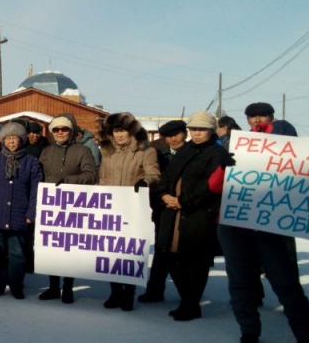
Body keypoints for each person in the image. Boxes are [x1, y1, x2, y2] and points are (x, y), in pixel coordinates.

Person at [214, 102, 309, 343]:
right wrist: (224, 166)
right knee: (240, 281)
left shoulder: (289, 146)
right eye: (252, 116)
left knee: (285, 282)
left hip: (269, 226)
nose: (257, 120)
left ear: (271, 117)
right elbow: (214, 187)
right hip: (235, 223)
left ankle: (306, 334)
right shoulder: (236, 145)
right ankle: (249, 329)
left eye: (262, 115)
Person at [151, 111, 229, 321]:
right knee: (170, 256)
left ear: (211, 131)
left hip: (198, 216)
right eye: (194, 129)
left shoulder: (217, 154)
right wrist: (164, 194)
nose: (196, 133)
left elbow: (211, 187)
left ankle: (190, 304)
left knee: (195, 263)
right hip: (173, 213)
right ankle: (187, 300)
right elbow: (167, 175)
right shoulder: (185, 151)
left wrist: (183, 201)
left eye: (202, 129)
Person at [97, 112, 161, 311]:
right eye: (116, 131)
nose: (119, 135)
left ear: (132, 131)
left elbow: (155, 175)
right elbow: (103, 179)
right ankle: (115, 291)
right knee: (110, 252)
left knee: (130, 252)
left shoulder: (145, 151)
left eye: (123, 130)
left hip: (133, 208)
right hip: (111, 208)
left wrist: (145, 182)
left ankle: (129, 292)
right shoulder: (107, 152)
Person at [0, 122, 43, 299]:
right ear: (3, 140)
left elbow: (37, 190)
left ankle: (16, 286)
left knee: (18, 256)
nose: (12, 142)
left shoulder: (31, 162)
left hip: (19, 217)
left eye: (15, 138)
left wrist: (31, 214)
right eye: (8, 138)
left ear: (21, 140)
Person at [36, 114, 98, 304]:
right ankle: (53, 286)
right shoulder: (46, 151)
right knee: (52, 247)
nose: (60, 133)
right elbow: (38, 173)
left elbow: (91, 175)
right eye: (56, 130)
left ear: (71, 132)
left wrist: (70, 181)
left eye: (64, 129)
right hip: (51, 205)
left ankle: (68, 287)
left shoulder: (82, 151)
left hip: (74, 205)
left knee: (69, 248)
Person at [139, 119, 188, 304]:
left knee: (179, 252)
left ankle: (187, 293)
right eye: (168, 136)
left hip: (186, 208)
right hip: (162, 207)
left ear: (184, 133)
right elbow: (154, 178)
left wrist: (182, 200)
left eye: (177, 134)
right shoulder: (157, 152)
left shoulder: (193, 152)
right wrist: (162, 197)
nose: (173, 139)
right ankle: (156, 290)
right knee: (162, 249)